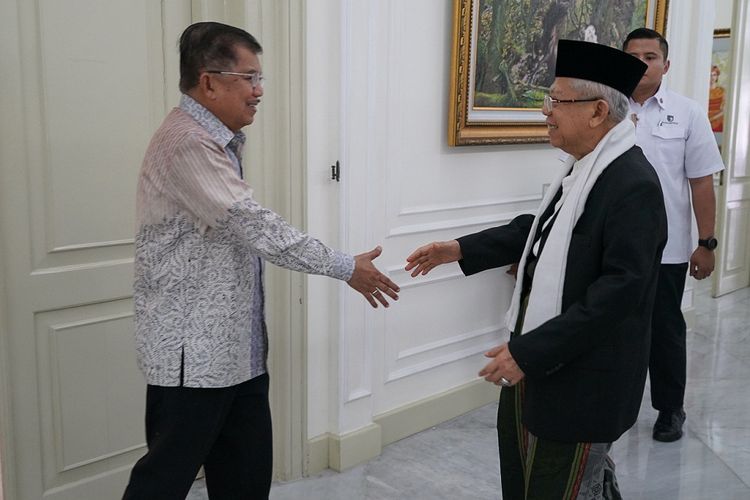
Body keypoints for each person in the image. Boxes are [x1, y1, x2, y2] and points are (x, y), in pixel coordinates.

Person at [123, 22, 399, 500]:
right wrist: (345, 266)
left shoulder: (217, 140)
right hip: (194, 358)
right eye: (248, 78)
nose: (258, 92)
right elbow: (256, 228)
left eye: (260, 78)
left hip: (238, 353)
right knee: (161, 484)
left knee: (245, 481)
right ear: (208, 81)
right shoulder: (188, 142)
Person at [405, 40, 666, 499]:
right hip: (542, 363)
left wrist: (530, 352)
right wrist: (460, 249)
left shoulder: (632, 183)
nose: (546, 112)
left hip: (583, 380)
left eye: (556, 101)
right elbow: (541, 229)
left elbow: (618, 294)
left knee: (562, 486)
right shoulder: (586, 167)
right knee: (526, 480)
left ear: (597, 111)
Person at [624, 28, 725, 443]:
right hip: (611, 246)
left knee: (665, 329)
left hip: (665, 248)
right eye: (633, 56)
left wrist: (706, 243)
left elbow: (701, 182)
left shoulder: (687, 113)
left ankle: (670, 409)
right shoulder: (603, 108)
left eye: (651, 56)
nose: (642, 63)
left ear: (666, 65)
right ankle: (617, 405)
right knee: (613, 327)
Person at [708, 65, 725, 133]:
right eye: (710, 75)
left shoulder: (722, 91)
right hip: (705, 120)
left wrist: (712, 118)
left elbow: (724, 110)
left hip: (718, 121)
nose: (712, 77)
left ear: (717, 76)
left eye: (714, 75)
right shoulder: (703, 90)